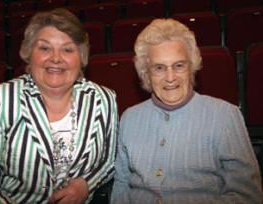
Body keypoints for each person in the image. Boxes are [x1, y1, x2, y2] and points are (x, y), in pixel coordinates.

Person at [0, 8, 118, 203]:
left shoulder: (103, 98)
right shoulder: (0, 100)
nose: (55, 57)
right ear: (29, 53)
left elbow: (109, 160)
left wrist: (86, 184)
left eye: (68, 49)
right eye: (44, 48)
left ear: (82, 57)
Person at [110, 18, 263, 204]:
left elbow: (247, 194)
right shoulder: (129, 118)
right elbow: (122, 184)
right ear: (145, 73)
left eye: (179, 65)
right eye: (159, 68)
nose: (170, 77)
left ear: (192, 67)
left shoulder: (224, 115)